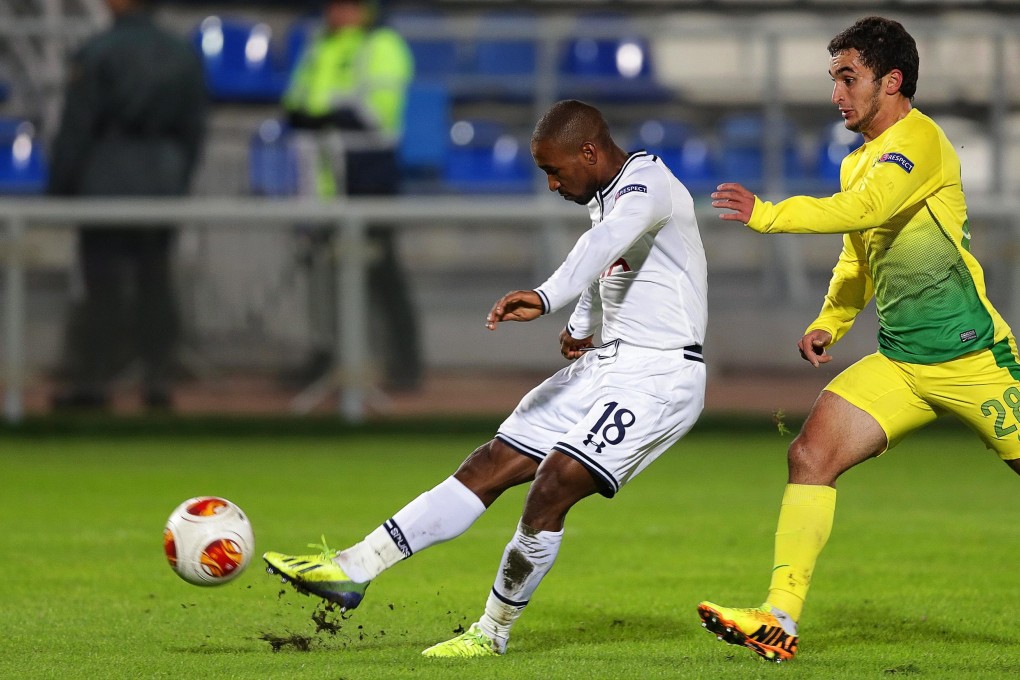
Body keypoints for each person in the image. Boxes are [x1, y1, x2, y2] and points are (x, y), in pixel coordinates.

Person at [264, 99, 708, 657]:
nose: (551, 185)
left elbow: (604, 244)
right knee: (490, 463)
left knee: (554, 482)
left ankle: (491, 634)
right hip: (610, 364)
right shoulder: (609, 194)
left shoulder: (648, 185)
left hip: (660, 374)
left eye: (554, 171)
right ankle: (353, 568)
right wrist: (580, 325)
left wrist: (546, 296)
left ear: (589, 152)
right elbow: (610, 262)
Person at [697, 16, 1020, 663]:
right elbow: (858, 254)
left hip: (973, 358)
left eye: (849, 78)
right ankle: (779, 619)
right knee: (810, 455)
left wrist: (769, 214)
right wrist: (831, 321)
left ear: (891, 81)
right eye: (834, 80)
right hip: (900, 364)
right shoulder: (858, 162)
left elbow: (867, 210)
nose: (836, 94)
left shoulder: (920, 141)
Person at [48, 0, 206, 410]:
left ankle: (94, 382)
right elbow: (194, 130)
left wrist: (60, 188)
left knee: (103, 286)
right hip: (163, 175)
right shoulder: (183, 53)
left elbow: (77, 128)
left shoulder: (98, 52)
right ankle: (157, 380)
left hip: (106, 175)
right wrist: (178, 177)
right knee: (156, 280)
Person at [282, 0, 421, 391]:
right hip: (323, 182)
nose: (337, 11)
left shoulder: (383, 45)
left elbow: (376, 114)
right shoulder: (318, 45)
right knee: (322, 274)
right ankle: (327, 356)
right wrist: (314, 117)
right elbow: (295, 103)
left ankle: (403, 362)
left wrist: (321, 117)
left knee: (381, 273)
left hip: (369, 178)